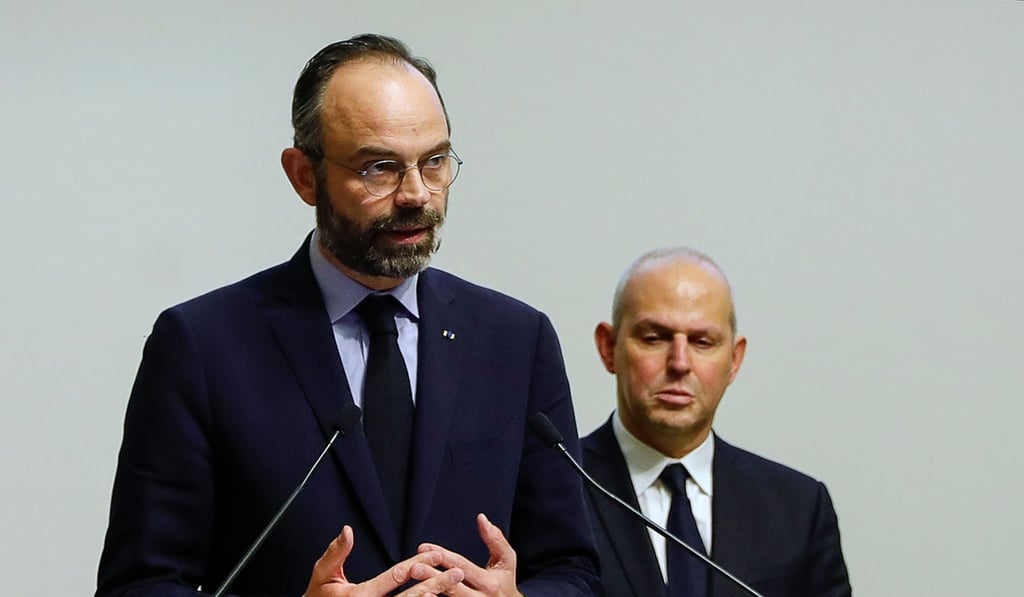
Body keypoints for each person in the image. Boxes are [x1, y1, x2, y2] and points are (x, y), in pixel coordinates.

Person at [96, 34, 599, 597]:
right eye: (379, 168)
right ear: (304, 175)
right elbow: (139, 584)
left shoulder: (515, 340)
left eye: (434, 162)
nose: (416, 194)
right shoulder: (203, 347)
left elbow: (573, 571)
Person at [582, 247, 851, 597]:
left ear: (734, 360)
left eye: (702, 342)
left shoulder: (798, 508)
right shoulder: (549, 488)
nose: (680, 363)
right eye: (655, 338)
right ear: (608, 347)